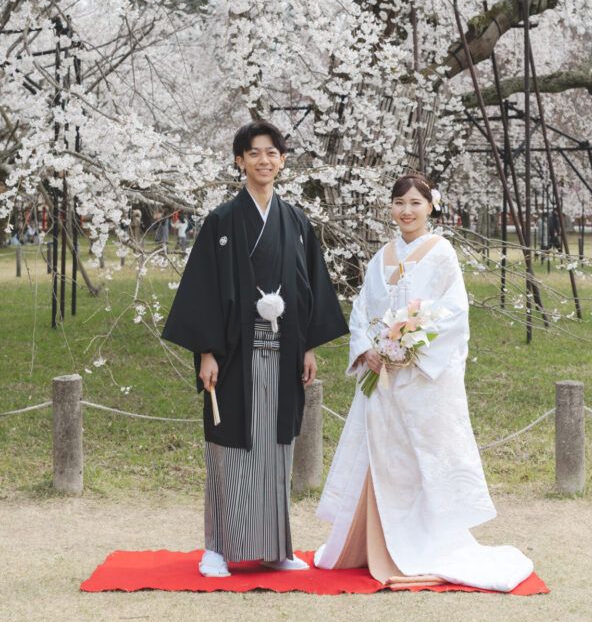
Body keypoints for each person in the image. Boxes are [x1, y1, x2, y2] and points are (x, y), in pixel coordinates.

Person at [315, 172, 533, 592]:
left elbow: (453, 314)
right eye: (399, 203)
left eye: (415, 203)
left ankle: (420, 543)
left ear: (430, 206)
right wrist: (370, 349)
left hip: (420, 379)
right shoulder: (382, 255)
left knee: (420, 459)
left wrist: (409, 347)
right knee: (382, 455)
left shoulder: (442, 252)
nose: (407, 211)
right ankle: (373, 541)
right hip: (382, 377)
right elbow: (363, 309)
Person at [162, 120, 348, 577]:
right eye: (254, 153)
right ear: (239, 161)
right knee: (228, 447)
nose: (264, 160)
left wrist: (307, 347)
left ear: (283, 161)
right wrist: (206, 351)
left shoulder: (297, 222)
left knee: (275, 447)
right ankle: (217, 548)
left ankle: (274, 547)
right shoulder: (222, 222)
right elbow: (203, 289)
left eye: (272, 153)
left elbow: (308, 289)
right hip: (232, 354)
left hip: (284, 351)